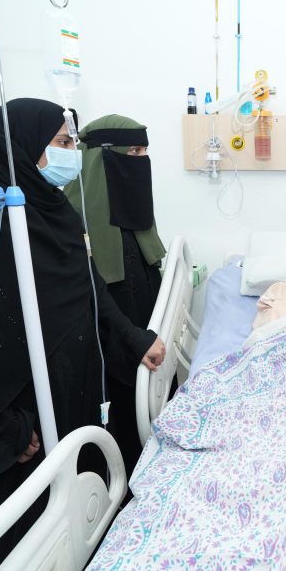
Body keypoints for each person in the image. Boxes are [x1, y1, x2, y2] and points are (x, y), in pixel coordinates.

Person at [0, 99, 165, 571]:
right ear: (21, 149)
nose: (73, 152)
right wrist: (3, 426)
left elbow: (89, 289)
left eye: (73, 142)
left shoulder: (55, 212)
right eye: (62, 142)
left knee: (71, 519)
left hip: (67, 397)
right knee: (19, 543)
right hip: (20, 418)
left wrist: (133, 338)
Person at [64, 114, 166, 489]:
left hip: (144, 336)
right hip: (111, 339)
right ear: (103, 156)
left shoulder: (132, 208)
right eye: (133, 151)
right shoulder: (73, 218)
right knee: (122, 418)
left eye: (144, 152)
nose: (141, 160)